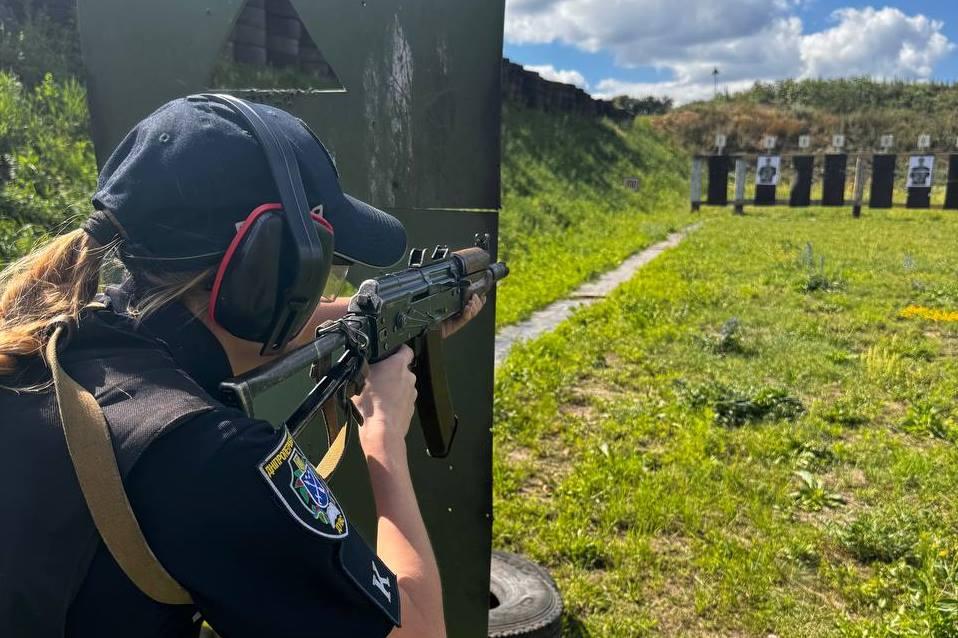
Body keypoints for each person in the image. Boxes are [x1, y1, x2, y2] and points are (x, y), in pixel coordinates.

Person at [0, 96, 485, 638]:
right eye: (320, 272)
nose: (318, 294)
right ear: (270, 274)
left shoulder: (60, 336)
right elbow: (421, 630)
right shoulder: (215, 458)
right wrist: (384, 437)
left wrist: (381, 317)